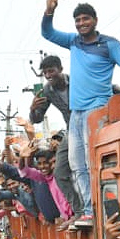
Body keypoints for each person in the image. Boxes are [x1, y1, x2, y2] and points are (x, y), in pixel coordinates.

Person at [41, 0, 120, 230]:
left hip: (97, 109)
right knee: (77, 165)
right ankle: (88, 211)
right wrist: (49, 12)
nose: (81, 23)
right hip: (76, 115)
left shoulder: (109, 44)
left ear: (94, 21)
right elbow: (48, 33)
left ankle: (105, 211)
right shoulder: (73, 42)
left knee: (93, 161)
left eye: (85, 19)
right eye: (77, 20)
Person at [29, 55, 80, 214]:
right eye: (45, 73)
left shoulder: (77, 80)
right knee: (59, 172)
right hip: (72, 130)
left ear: (61, 69)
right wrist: (32, 109)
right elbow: (36, 119)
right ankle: (79, 211)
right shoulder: (47, 90)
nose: (49, 75)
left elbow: (107, 86)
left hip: (88, 124)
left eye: (51, 71)